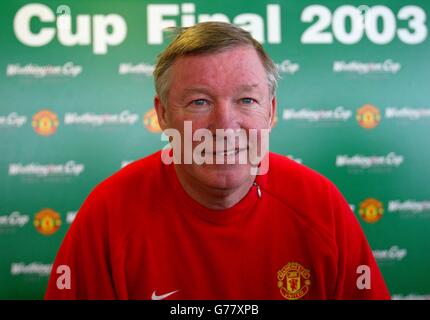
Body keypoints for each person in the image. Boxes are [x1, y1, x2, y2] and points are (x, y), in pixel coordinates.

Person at [45, 22, 390, 300]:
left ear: (270, 113)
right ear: (162, 114)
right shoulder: (109, 213)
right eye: (199, 102)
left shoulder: (319, 205)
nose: (224, 125)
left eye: (246, 99)